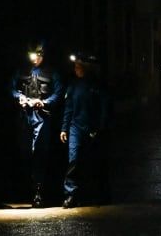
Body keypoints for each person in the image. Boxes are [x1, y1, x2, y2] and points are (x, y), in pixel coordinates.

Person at [11, 42, 63, 208]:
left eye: (37, 56)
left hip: (42, 117)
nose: (34, 60)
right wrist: (19, 97)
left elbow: (59, 92)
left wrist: (44, 102)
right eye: (31, 56)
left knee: (39, 152)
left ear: (42, 55)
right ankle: (27, 188)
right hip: (24, 117)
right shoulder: (21, 70)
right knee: (24, 152)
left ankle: (38, 192)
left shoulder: (52, 72)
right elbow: (11, 87)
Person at [60, 53, 109, 208]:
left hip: (91, 128)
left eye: (79, 67)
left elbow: (104, 108)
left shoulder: (96, 85)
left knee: (94, 161)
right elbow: (68, 108)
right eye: (75, 67)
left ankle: (97, 194)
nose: (76, 69)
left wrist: (100, 127)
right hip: (75, 128)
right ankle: (71, 194)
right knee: (73, 160)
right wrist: (64, 128)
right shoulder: (73, 85)